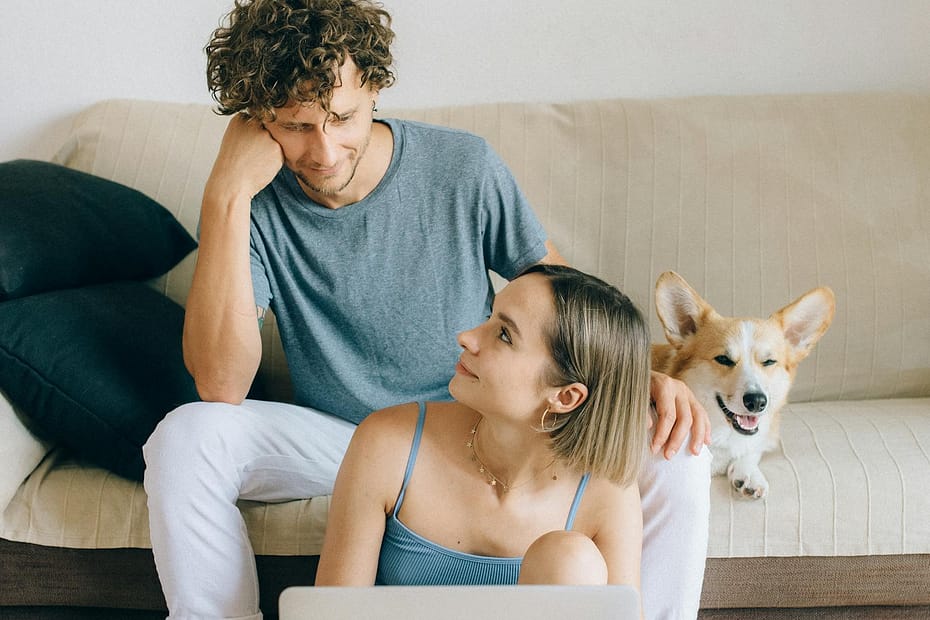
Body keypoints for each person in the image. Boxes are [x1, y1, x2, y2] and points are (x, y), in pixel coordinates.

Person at [142, 1, 712, 619]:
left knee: (679, 449)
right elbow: (220, 383)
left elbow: (563, 306)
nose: (325, 152)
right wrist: (226, 194)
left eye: (342, 118)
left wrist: (628, 378)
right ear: (257, 121)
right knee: (185, 438)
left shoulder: (463, 167)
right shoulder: (251, 201)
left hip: (483, 417)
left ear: (377, 87)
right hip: (353, 442)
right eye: (295, 126)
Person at [315, 264, 649, 603]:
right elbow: (331, 612)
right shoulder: (389, 441)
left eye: (504, 334)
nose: (467, 337)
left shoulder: (606, 491)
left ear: (565, 396)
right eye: (490, 317)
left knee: (570, 557)